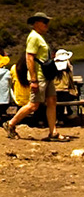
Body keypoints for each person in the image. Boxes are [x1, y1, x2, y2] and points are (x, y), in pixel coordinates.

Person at [6, 12, 64, 141]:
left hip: (46, 76)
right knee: (33, 105)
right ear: (36, 23)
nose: (47, 25)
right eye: (44, 22)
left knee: (52, 101)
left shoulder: (39, 37)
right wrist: (33, 80)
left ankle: (53, 132)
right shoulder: (33, 37)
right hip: (39, 76)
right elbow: (29, 58)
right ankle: (10, 124)